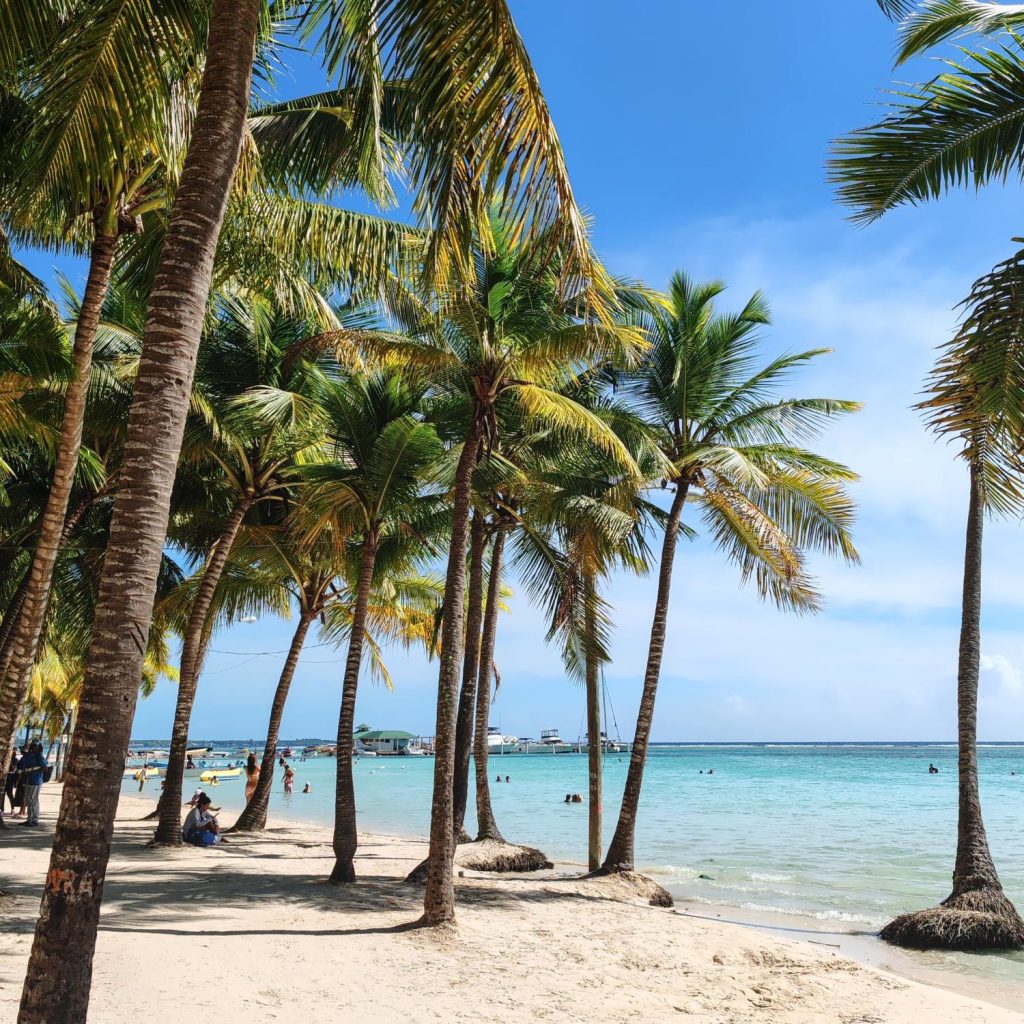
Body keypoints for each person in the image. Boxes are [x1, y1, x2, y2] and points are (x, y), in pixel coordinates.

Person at [20, 741, 46, 827]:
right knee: (28, 800)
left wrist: (31, 769)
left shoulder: (39, 756)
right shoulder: (27, 756)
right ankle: (29, 819)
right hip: (27, 781)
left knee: (33, 800)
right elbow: (20, 766)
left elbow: (44, 767)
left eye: (34, 746)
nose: (32, 747)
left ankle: (34, 820)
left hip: (36, 781)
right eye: (32, 745)